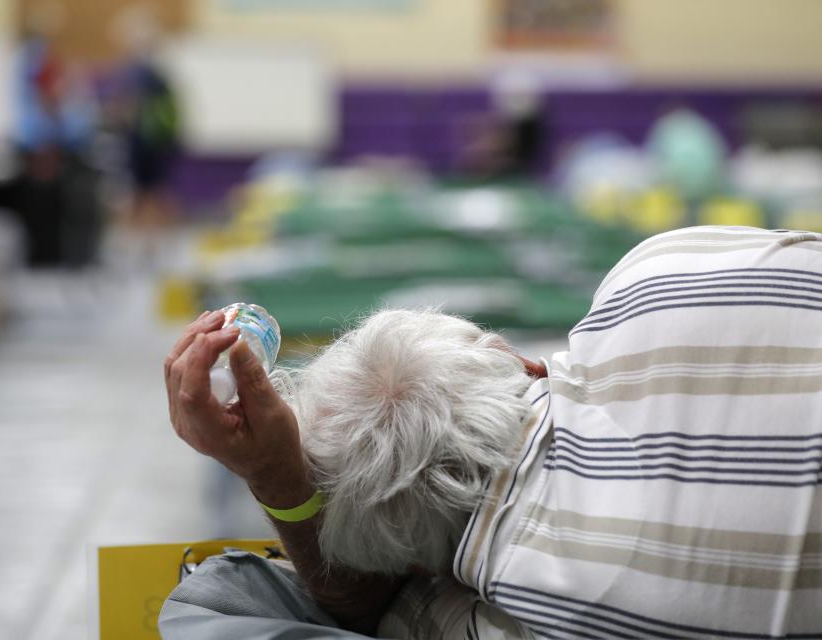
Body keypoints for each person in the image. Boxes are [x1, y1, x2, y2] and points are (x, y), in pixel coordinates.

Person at [161, 226, 822, 639]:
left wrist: (276, 477)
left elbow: (354, 606)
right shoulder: (660, 273)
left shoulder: (522, 621)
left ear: (420, 565)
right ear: (519, 359)